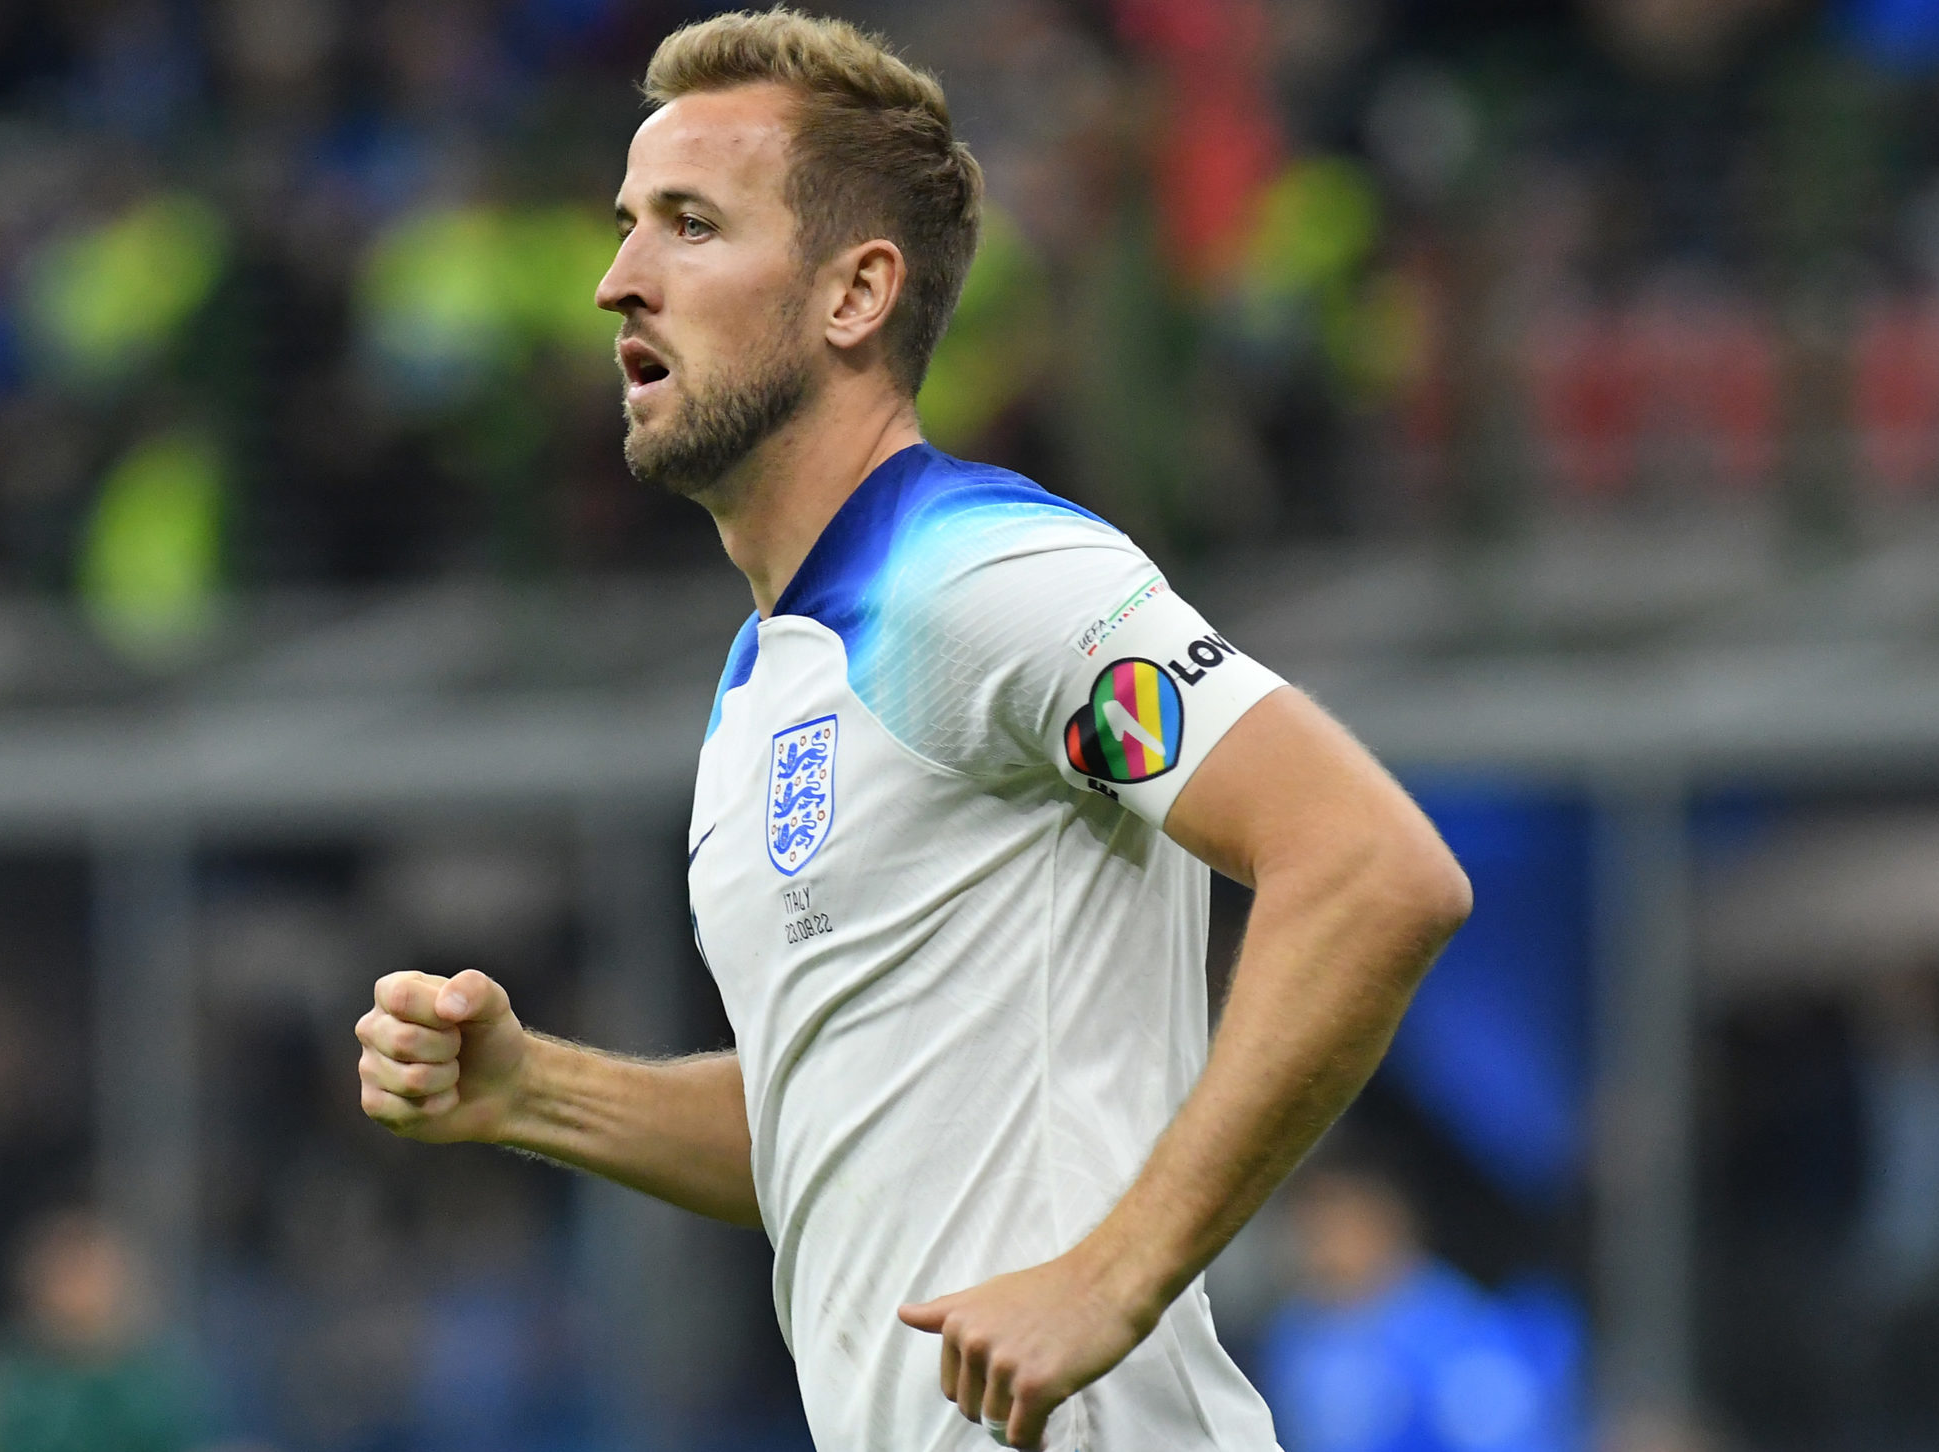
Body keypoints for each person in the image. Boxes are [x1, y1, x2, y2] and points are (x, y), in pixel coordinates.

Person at [353, 10, 1472, 1450]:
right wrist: (534, 1093)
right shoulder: (771, 678)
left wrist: (1114, 1275)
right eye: (628, 225)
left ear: (855, 294)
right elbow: (843, 1132)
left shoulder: (980, 575)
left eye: (689, 226)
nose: (616, 281)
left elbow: (1373, 871)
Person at [1261, 1146, 1575, 1452]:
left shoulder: (1446, 1327)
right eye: (1308, 1230)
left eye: (1334, 1226)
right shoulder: (1294, 1332)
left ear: (1384, 1221)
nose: (1320, 1250)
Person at [0, 1209, 205, 1452]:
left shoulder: (153, 1384)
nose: (79, 1290)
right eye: (65, 1274)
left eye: (89, 1273)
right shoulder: (19, 1385)